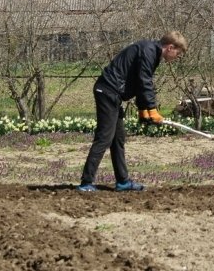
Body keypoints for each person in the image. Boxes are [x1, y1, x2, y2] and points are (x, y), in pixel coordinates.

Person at [77, 31, 188, 192]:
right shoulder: (149, 51)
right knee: (104, 138)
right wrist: (152, 109)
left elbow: (137, 83)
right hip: (107, 91)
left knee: (118, 139)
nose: (177, 57)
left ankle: (122, 182)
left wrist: (143, 110)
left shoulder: (151, 52)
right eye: (178, 53)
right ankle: (86, 183)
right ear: (170, 47)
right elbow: (145, 81)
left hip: (113, 94)